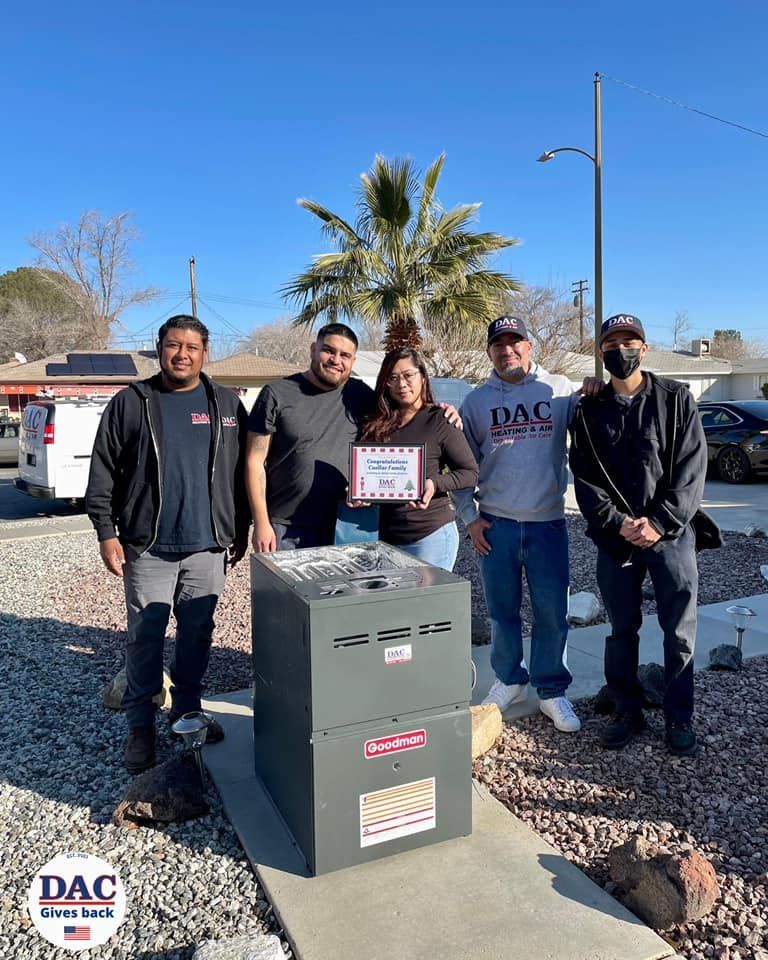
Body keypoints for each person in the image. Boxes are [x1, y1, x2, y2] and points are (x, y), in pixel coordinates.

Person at [86, 315, 250, 774]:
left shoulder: (226, 405)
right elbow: (102, 472)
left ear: (205, 352)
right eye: (174, 345)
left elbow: (243, 473)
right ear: (159, 348)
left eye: (192, 347)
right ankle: (141, 725)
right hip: (148, 545)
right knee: (145, 638)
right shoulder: (131, 403)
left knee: (197, 635)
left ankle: (187, 711)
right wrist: (106, 531)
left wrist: (240, 531)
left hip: (208, 545)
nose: (183, 354)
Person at [569, 313, 707, 756]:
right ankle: (627, 709)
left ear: (644, 348)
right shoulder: (589, 410)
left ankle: (679, 717)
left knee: (679, 631)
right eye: (612, 343)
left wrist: (659, 522)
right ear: (600, 352)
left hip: (671, 537)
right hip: (616, 541)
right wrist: (618, 524)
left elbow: (691, 470)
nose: (621, 349)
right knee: (621, 628)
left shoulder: (676, 398)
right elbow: (584, 477)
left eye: (629, 341)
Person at [453, 315, 581, 733]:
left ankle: (550, 689)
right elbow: (459, 465)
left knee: (552, 612)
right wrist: (469, 518)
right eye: (499, 344)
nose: (507, 349)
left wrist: (595, 392)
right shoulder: (475, 402)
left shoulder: (559, 391)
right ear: (489, 352)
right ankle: (509, 679)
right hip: (496, 526)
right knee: (501, 612)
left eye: (515, 342)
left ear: (530, 346)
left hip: (547, 524)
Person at [246, 323, 461, 552]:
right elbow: (254, 461)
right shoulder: (277, 393)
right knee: (284, 589)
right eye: (328, 350)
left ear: (353, 361)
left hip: (349, 524)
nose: (336, 360)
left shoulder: (361, 395)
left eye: (345, 355)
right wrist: (261, 522)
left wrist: (440, 410)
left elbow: (403, 408)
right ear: (313, 350)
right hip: (288, 527)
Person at [360, 348, 478, 570]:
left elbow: (470, 473)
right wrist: (362, 492)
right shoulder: (375, 424)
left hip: (430, 536)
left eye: (408, 375)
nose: (401, 384)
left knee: (427, 605)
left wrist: (435, 484)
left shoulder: (440, 420)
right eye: (392, 378)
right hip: (386, 537)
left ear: (422, 376)